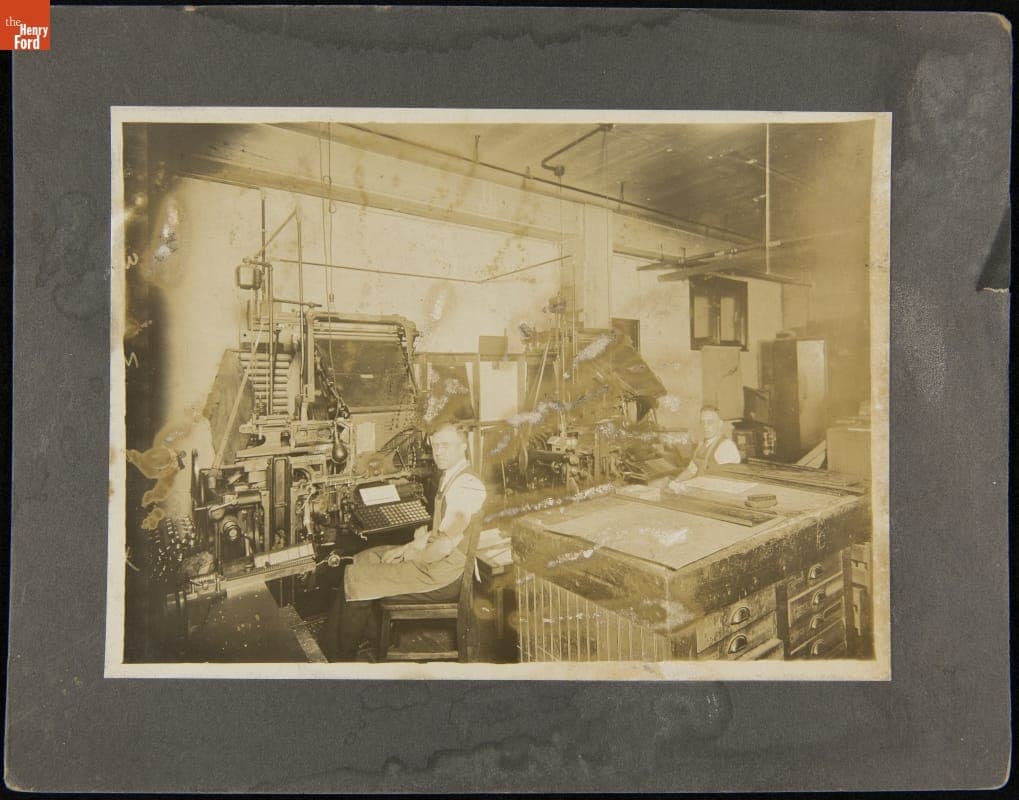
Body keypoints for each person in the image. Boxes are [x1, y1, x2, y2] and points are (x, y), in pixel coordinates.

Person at [324, 423, 487, 661]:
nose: (438, 452)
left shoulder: (467, 486)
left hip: (443, 575)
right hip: (435, 562)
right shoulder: (450, 477)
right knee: (364, 558)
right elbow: (440, 533)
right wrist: (407, 547)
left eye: (445, 445)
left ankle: (338, 659)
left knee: (356, 577)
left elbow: (444, 546)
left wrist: (413, 557)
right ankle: (372, 638)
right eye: (435, 446)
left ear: (463, 447)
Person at [667, 404, 741, 491]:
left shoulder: (726, 446)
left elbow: (726, 481)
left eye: (710, 422)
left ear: (720, 424)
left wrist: (689, 485)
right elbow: (691, 470)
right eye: (702, 422)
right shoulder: (701, 444)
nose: (705, 426)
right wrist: (676, 481)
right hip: (700, 489)